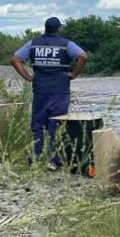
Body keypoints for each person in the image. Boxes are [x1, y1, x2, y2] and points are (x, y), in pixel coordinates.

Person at [10, 17, 87, 169]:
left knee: (38, 124)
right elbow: (83, 56)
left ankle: (36, 158)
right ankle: (54, 160)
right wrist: (74, 74)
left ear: (45, 28)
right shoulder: (66, 44)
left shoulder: (33, 43)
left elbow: (14, 59)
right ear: (59, 28)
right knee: (56, 124)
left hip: (40, 89)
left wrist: (28, 77)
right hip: (60, 89)